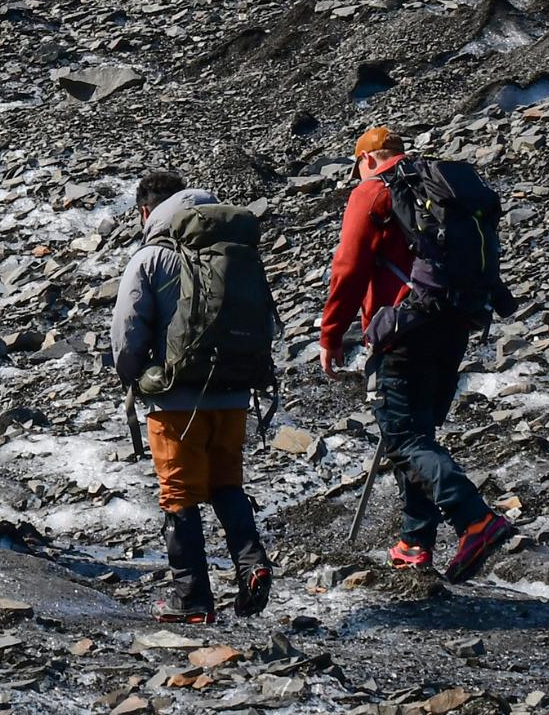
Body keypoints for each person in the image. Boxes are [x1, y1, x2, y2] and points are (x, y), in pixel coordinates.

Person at [319, 125, 517, 583]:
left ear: (367, 160)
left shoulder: (373, 192)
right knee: (417, 432)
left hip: (404, 329)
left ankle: (476, 519)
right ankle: (414, 542)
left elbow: (348, 270)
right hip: (454, 322)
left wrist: (331, 335)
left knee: (404, 437)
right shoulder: (437, 185)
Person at [112, 169, 275, 622]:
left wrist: (136, 378)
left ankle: (192, 599)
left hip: (176, 400)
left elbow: (127, 332)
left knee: (179, 493)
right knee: (226, 484)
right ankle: (252, 564)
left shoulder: (152, 257)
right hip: (235, 392)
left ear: (147, 212)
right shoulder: (234, 251)